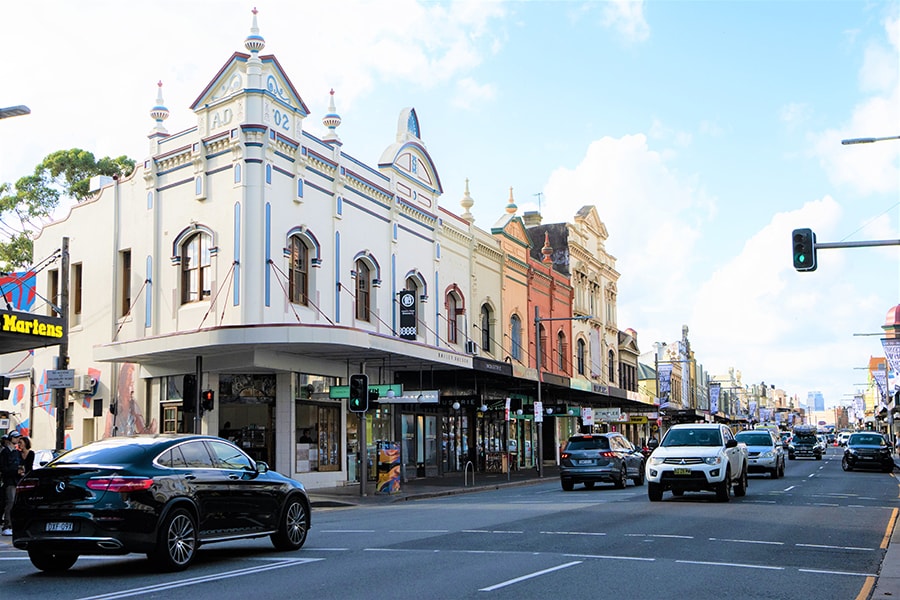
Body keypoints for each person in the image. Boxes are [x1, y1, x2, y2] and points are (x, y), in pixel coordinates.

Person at [1, 431, 23, 535]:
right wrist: (15, 471)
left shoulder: (16, 452)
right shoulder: (5, 452)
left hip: (16, 480)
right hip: (9, 481)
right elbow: (3, 468)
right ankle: (7, 525)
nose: (18, 440)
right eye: (16, 438)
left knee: (14, 503)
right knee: (10, 502)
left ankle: (11, 525)